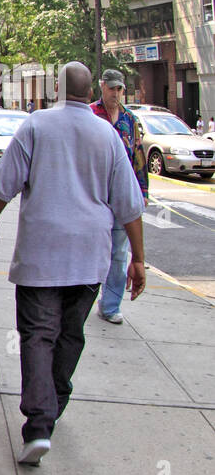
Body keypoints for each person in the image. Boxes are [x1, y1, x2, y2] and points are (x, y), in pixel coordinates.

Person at [0, 62, 146, 466]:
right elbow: (129, 203)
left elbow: (4, 184)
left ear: (57, 87)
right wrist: (138, 259)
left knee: (38, 336)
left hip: (41, 255)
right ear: (91, 91)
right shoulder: (107, 134)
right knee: (70, 334)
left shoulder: (36, 125)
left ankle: (38, 423)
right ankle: (53, 404)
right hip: (90, 258)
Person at [90, 69, 148, 325]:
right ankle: (82, 301)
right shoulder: (91, 115)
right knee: (92, 250)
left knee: (118, 254)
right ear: (102, 86)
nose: (115, 93)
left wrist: (142, 192)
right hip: (94, 195)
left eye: (119, 89)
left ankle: (110, 305)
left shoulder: (129, 120)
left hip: (120, 197)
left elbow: (138, 158)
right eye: (111, 88)